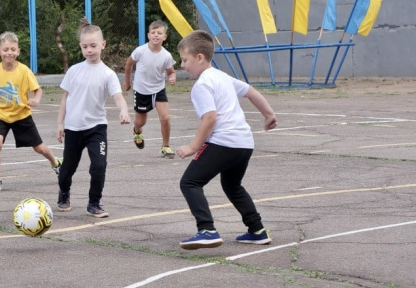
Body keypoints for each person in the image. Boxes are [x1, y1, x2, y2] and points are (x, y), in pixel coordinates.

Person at [175, 30, 277, 250]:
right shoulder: (222, 76)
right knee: (232, 185)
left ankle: (207, 230)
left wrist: (193, 147)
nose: (183, 65)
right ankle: (257, 230)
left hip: (224, 142)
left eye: (185, 60)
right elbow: (251, 92)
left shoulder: (202, 84)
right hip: (244, 143)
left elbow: (210, 118)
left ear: (200, 57)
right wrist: (269, 114)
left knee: (190, 182)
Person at [56, 17, 131, 218]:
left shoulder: (108, 74)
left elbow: (118, 97)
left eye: (93, 46)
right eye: (85, 46)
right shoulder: (74, 71)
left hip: (96, 128)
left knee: (99, 166)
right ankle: (64, 192)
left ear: (103, 45)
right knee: (67, 169)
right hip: (73, 128)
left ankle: (94, 202)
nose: (89, 50)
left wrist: (123, 111)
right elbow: (65, 98)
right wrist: (60, 123)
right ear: (81, 47)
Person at [0, 31, 61, 192]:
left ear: (18, 51)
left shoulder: (24, 71)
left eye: (13, 49)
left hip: (22, 115)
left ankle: (56, 164)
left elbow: (38, 90)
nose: (9, 53)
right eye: (6, 49)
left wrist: (36, 100)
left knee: (39, 148)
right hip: (1, 115)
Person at [122, 20, 177, 158]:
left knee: (165, 118)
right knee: (141, 121)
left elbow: (171, 71)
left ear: (165, 37)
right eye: (153, 32)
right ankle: (137, 130)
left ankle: (165, 147)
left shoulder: (166, 55)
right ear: (148, 35)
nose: (156, 35)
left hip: (158, 90)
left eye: (159, 33)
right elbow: (128, 64)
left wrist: (172, 77)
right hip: (141, 91)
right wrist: (127, 82)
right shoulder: (140, 51)